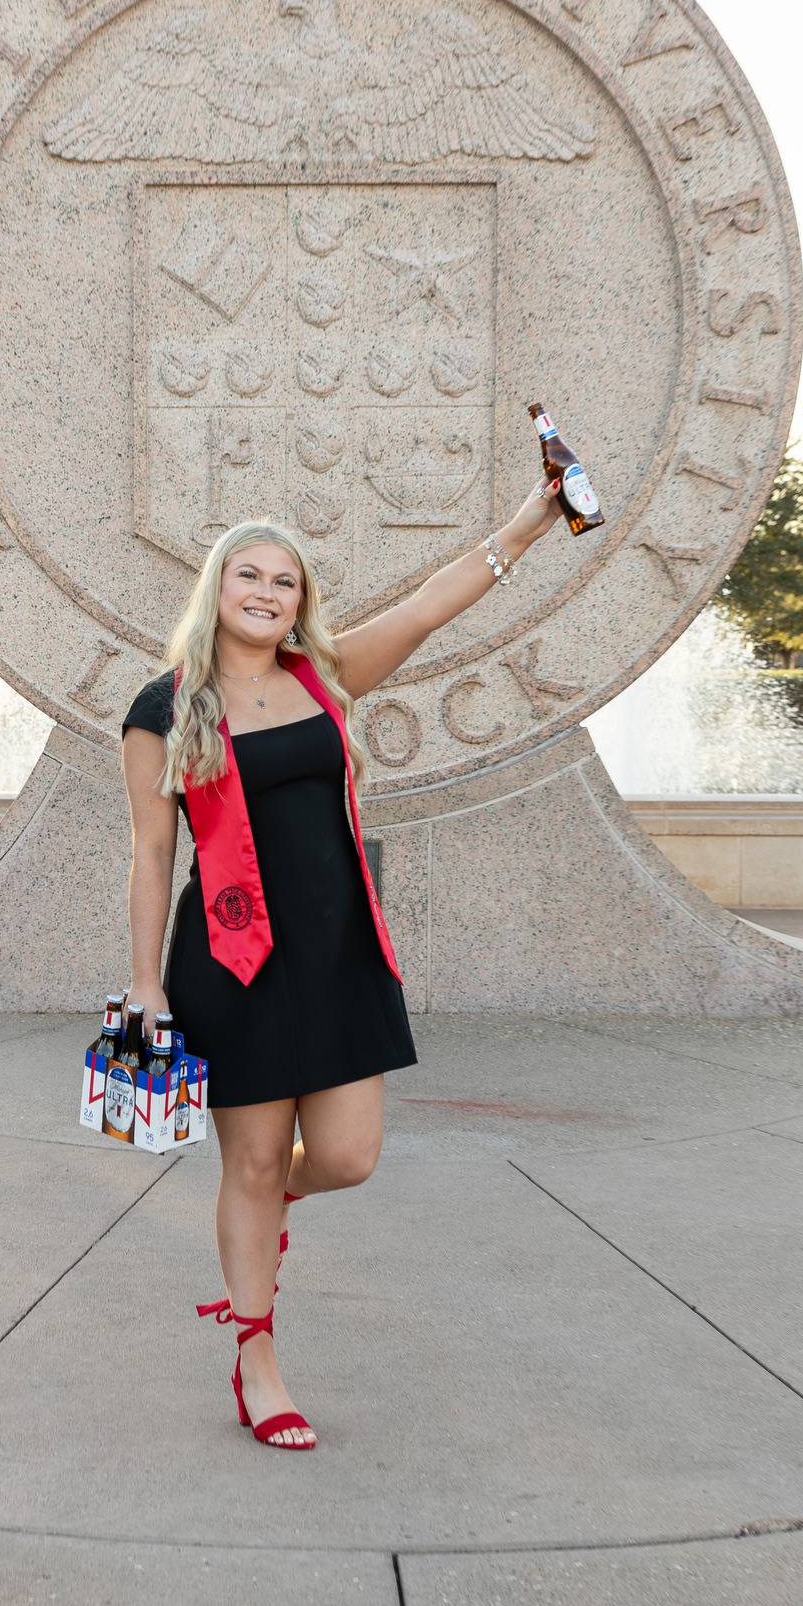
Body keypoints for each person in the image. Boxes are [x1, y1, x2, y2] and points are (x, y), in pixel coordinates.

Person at [120, 477, 562, 1450]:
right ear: (217, 585)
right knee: (254, 1155)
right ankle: (256, 1353)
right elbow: (154, 854)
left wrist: (525, 526)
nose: (268, 591)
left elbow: (429, 604)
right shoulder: (164, 706)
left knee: (349, 1156)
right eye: (250, 573)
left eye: (286, 580)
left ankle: (263, 1209)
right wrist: (146, 982)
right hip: (232, 962)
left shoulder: (322, 672)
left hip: (339, 953)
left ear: (300, 599)